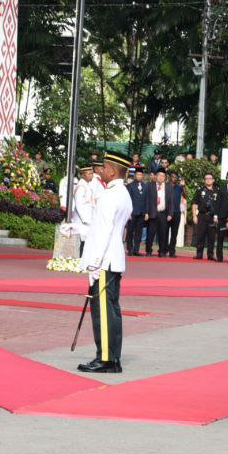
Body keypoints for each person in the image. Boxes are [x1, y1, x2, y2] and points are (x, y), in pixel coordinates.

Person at [69, 151, 133, 373]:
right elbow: (102, 227)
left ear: (113, 171)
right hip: (112, 258)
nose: (101, 171)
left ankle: (106, 359)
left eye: (104, 167)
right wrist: (78, 228)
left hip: (104, 260)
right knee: (111, 310)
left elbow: (104, 232)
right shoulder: (122, 193)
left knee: (104, 312)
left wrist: (95, 263)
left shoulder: (110, 195)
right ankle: (110, 356)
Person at [142, 170, 178, 257]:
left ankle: (161, 251)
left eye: (163, 176)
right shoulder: (150, 186)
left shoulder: (169, 187)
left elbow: (171, 202)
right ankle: (148, 251)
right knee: (150, 233)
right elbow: (146, 200)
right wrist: (146, 212)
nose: (161, 177)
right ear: (156, 176)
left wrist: (170, 214)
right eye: (159, 175)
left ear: (165, 178)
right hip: (152, 213)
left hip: (163, 213)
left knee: (163, 234)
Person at [192, 172, 220, 260]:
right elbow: (194, 203)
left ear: (213, 180)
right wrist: (194, 216)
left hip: (212, 217)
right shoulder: (200, 190)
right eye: (206, 178)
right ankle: (199, 254)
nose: (208, 180)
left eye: (210, 178)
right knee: (200, 236)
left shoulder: (217, 190)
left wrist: (217, 216)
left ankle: (210, 255)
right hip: (202, 215)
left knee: (212, 237)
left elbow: (220, 205)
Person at [125, 168, 147, 256]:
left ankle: (136, 250)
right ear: (135, 176)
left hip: (142, 212)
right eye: (138, 175)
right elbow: (127, 200)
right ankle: (130, 249)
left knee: (139, 232)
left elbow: (147, 200)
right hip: (132, 212)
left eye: (141, 175)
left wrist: (146, 212)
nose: (139, 176)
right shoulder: (130, 186)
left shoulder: (145, 186)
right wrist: (128, 212)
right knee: (130, 231)